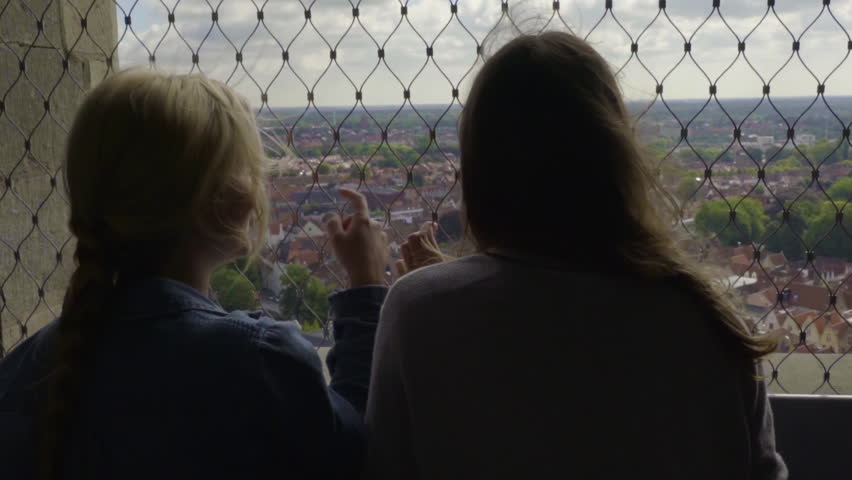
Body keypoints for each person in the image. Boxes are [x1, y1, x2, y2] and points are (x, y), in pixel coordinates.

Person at [364, 32, 788, 480]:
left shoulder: (421, 310)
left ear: (480, 166)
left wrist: (435, 294)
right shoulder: (708, 315)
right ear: (617, 155)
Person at [0, 70, 389, 479]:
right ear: (216, 200)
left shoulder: (24, 369)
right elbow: (364, 453)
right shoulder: (260, 362)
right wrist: (366, 283)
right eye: (248, 170)